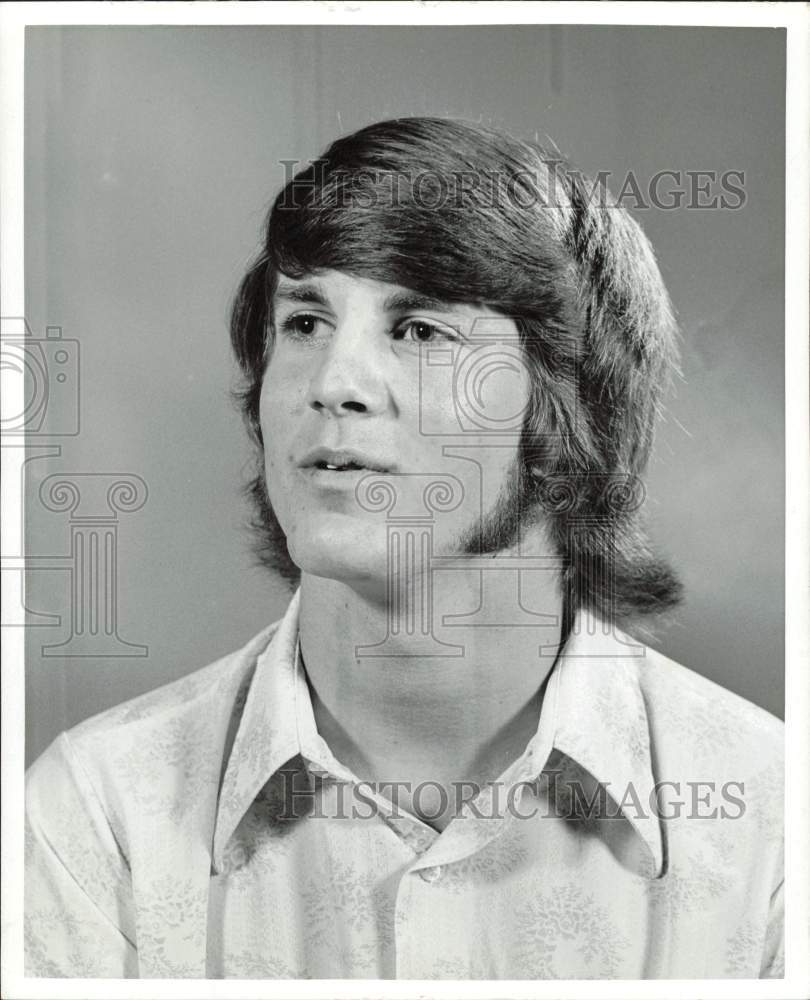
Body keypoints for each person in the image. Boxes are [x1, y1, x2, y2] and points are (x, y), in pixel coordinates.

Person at [25, 118, 783, 980]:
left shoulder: (769, 826)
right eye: (305, 321)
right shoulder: (95, 819)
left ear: (569, 407)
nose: (333, 384)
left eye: (421, 331)